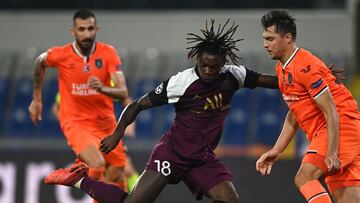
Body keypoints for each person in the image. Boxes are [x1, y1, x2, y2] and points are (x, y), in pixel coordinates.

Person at [43, 19, 345, 203]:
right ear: (196, 60)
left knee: (229, 198)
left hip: (201, 157)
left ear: (223, 61)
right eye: (204, 65)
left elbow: (276, 81)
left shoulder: (233, 75)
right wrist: (117, 132)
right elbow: (136, 105)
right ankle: (76, 179)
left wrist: (312, 77)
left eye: (215, 66)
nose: (210, 71)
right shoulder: (181, 83)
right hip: (172, 153)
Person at [255, 10, 360, 203]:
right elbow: (294, 113)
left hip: (340, 128)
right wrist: (277, 150)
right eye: (264, 39)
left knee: (304, 177)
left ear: (287, 37)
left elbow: (331, 111)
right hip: (337, 131)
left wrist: (332, 151)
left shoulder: (305, 65)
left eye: (270, 39)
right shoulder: (282, 69)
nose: (265, 45)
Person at [28, 9, 134, 195]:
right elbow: (40, 61)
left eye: (90, 29)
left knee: (116, 175)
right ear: (73, 31)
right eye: (82, 29)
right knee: (97, 163)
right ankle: (73, 174)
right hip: (76, 122)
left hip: (106, 123)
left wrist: (102, 88)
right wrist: (37, 99)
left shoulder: (108, 53)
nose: (86, 34)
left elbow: (122, 91)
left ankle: (84, 180)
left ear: (96, 29)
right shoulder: (61, 54)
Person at [51, 92, 140, 192]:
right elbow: (56, 106)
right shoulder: (72, 88)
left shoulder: (100, 85)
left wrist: (129, 124)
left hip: (107, 131)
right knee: (111, 172)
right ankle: (138, 195)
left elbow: (124, 97)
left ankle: (138, 195)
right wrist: (68, 123)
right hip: (88, 135)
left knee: (123, 170)